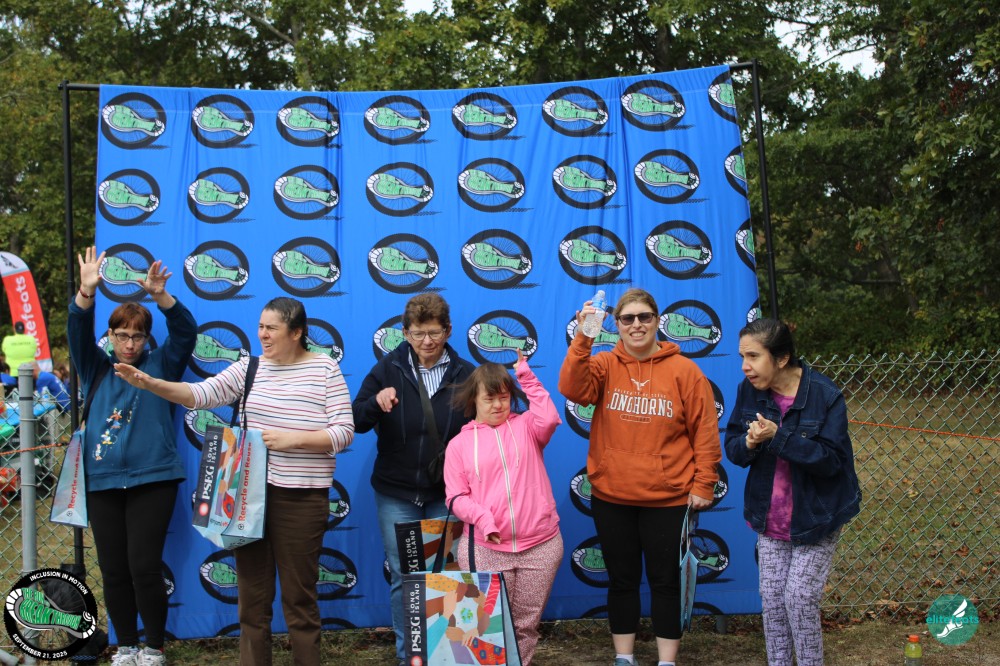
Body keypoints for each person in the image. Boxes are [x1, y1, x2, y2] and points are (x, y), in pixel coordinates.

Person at [115, 296, 354, 666]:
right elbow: (199, 395)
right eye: (260, 327)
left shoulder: (324, 369)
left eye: (271, 328)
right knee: (252, 602)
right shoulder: (249, 367)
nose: (263, 335)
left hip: (302, 501)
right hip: (247, 498)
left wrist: (294, 440)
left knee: (299, 599)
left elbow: (343, 432)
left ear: (296, 332)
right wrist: (151, 384)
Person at [558, 288, 721, 666]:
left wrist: (704, 482)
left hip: (668, 498)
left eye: (644, 317)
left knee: (666, 582)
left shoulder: (685, 371)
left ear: (657, 321)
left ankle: (667, 661)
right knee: (622, 580)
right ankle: (624, 657)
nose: (636, 324)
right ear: (616, 324)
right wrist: (584, 336)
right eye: (628, 318)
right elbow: (572, 388)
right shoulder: (604, 364)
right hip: (613, 496)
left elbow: (705, 431)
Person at [67, 246, 197, 666]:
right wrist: (86, 292)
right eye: (121, 335)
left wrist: (161, 296)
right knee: (114, 570)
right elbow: (76, 329)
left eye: (137, 336)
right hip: (102, 481)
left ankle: (153, 648)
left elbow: (185, 333)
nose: (129, 343)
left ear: (146, 338)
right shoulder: (95, 367)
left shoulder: (161, 365)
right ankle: (125, 647)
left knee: (144, 566)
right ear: (110, 336)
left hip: (153, 478)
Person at [724, 318, 861, 666]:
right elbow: (735, 450)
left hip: (816, 514)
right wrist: (749, 441)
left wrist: (778, 436)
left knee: (799, 599)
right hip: (770, 515)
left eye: (753, 356)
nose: (745, 366)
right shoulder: (748, 390)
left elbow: (831, 462)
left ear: (782, 358)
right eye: (742, 357)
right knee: (772, 600)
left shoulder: (824, 395)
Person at [351, 293, 476, 665]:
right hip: (396, 493)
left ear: (448, 331)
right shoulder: (387, 369)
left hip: (446, 494)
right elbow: (356, 420)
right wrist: (376, 403)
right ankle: (411, 657)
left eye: (434, 333)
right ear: (405, 333)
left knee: (445, 576)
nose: (427, 341)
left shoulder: (465, 374)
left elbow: (485, 428)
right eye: (418, 333)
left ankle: (447, 655)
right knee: (404, 576)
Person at [444, 349, 563, 665]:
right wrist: (484, 519)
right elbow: (455, 497)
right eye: (489, 399)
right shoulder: (458, 445)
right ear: (474, 400)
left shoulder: (528, 427)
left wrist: (525, 375)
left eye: (504, 398)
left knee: (525, 625)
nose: (498, 405)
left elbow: (550, 417)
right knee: (487, 626)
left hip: (540, 545)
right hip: (485, 548)